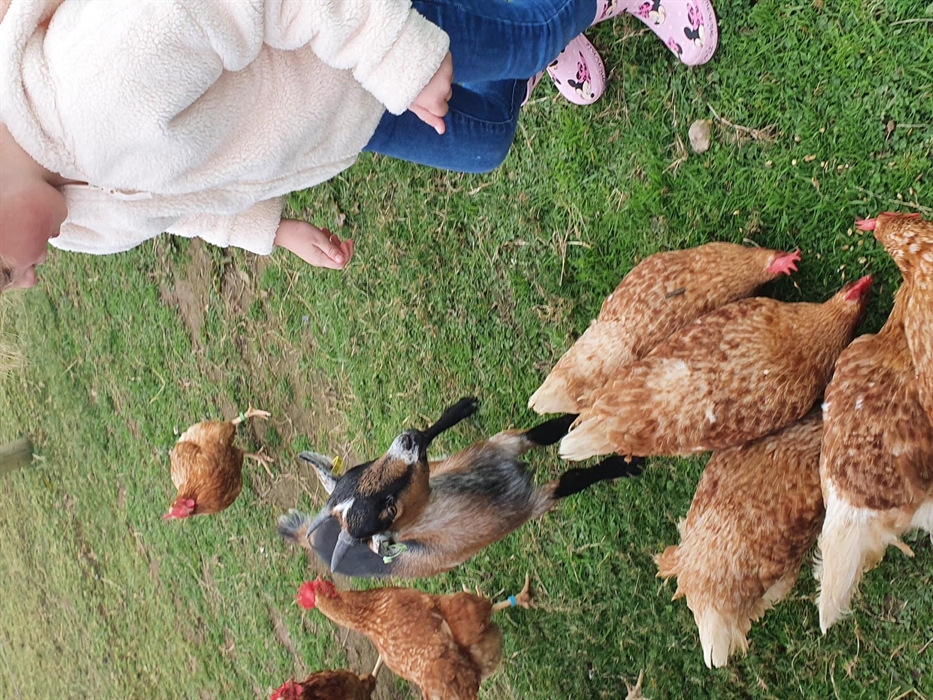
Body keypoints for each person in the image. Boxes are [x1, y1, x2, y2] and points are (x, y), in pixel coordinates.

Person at [0, 0, 718, 292]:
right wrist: (267, 228)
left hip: (357, 32)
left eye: (5, 275)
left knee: (522, 33)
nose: (28, 282)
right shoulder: (73, 228)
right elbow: (167, 208)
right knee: (485, 138)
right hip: (336, 118)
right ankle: (532, 36)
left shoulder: (94, 84)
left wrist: (389, 48)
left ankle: (571, 13)